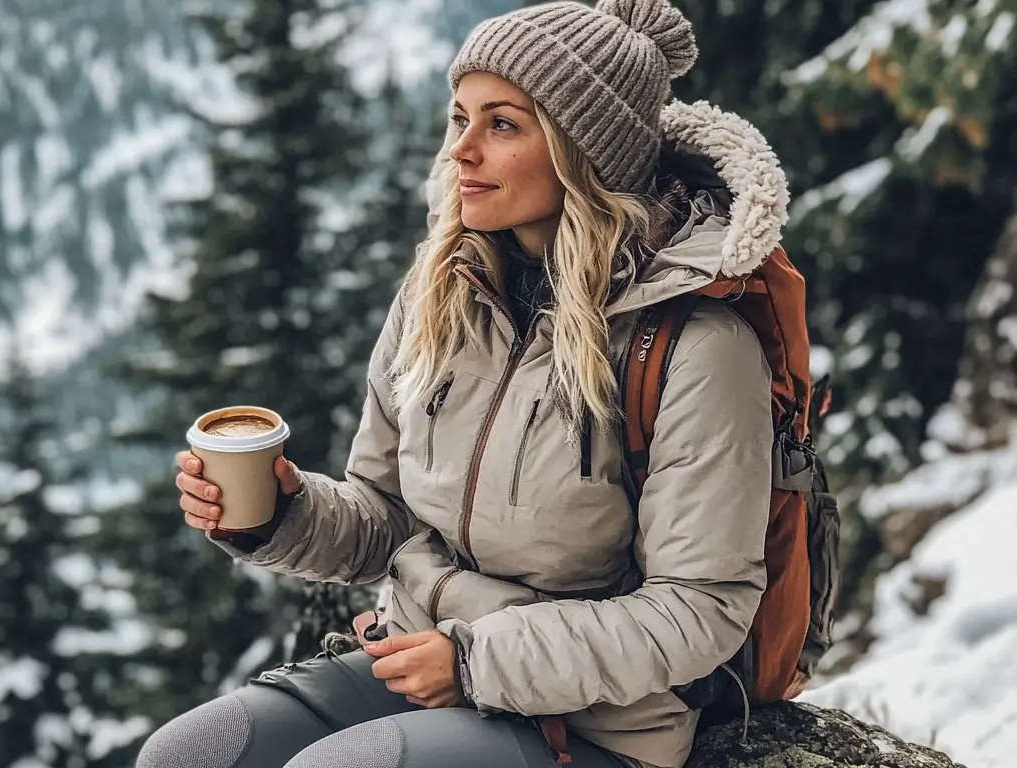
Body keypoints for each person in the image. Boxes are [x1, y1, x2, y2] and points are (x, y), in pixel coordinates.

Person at [138, 0, 790, 766]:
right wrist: (280, 513)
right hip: (420, 661)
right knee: (187, 754)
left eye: (503, 125)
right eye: (459, 118)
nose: (460, 151)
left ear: (585, 152)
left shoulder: (692, 346)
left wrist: (478, 660)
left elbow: (700, 608)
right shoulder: (441, 292)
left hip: (598, 721)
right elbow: (386, 518)